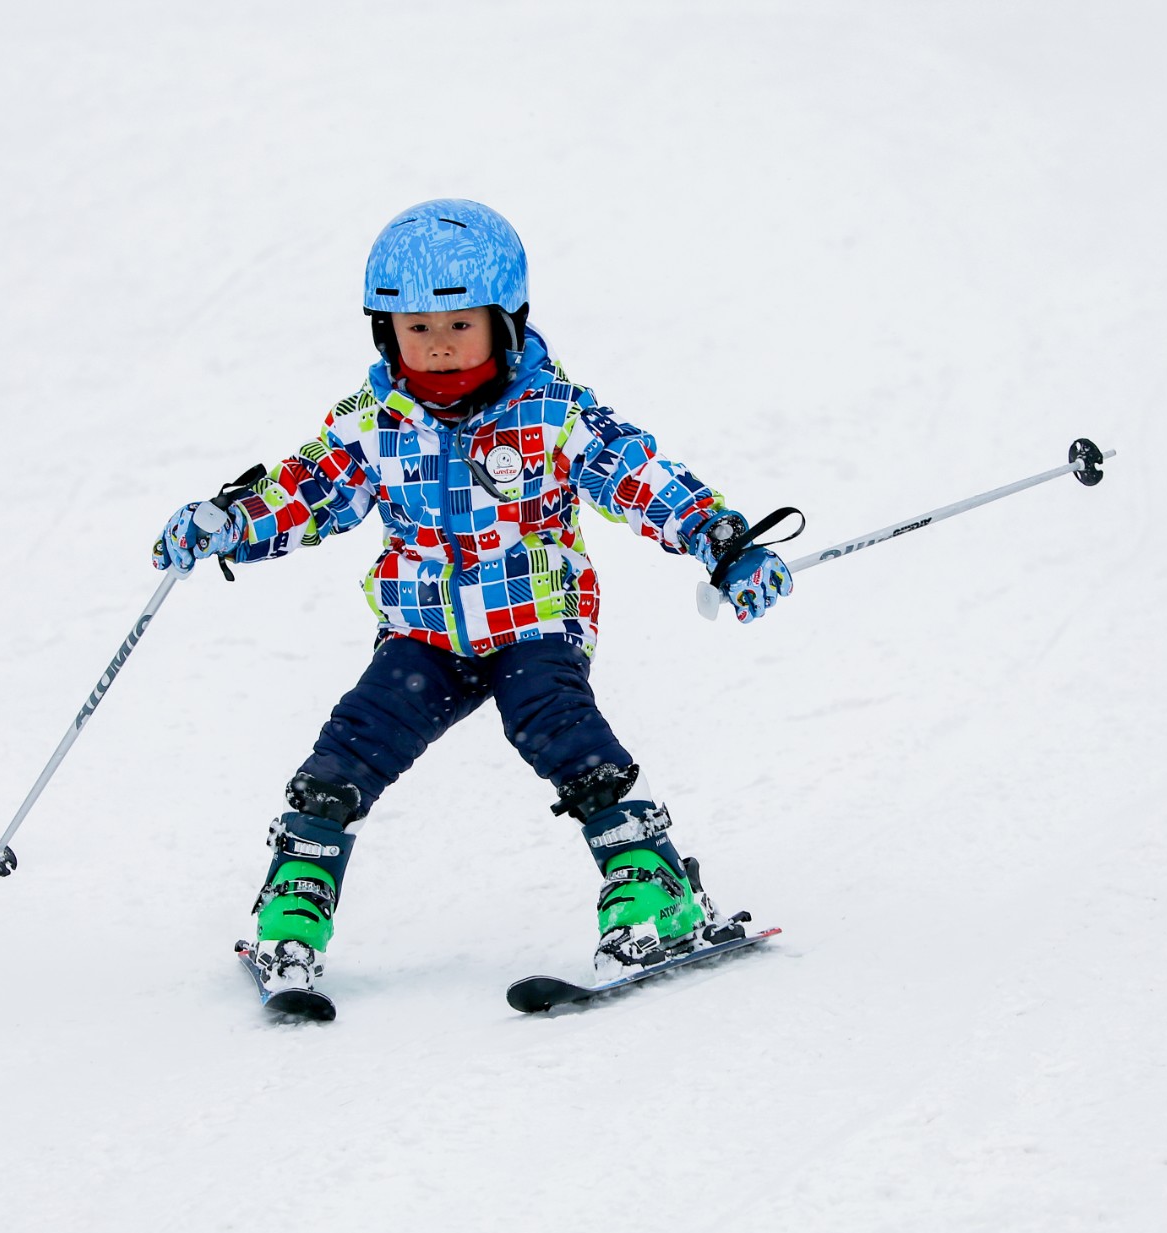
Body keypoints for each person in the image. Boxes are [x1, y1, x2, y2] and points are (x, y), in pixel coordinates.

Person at [154, 198, 791, 996]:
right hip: (424, 633)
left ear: (507, 322)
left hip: (534, 621)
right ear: (386, 333)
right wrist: (232, 521)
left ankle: (655, 889)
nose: (439, 348)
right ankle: (294, 907)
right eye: (416, 329)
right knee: (350, 749)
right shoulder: (372, 424)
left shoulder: (553, 414)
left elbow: (642, 478)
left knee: (555, 726)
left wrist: (725, 543)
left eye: (460, 326)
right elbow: (309, 490)